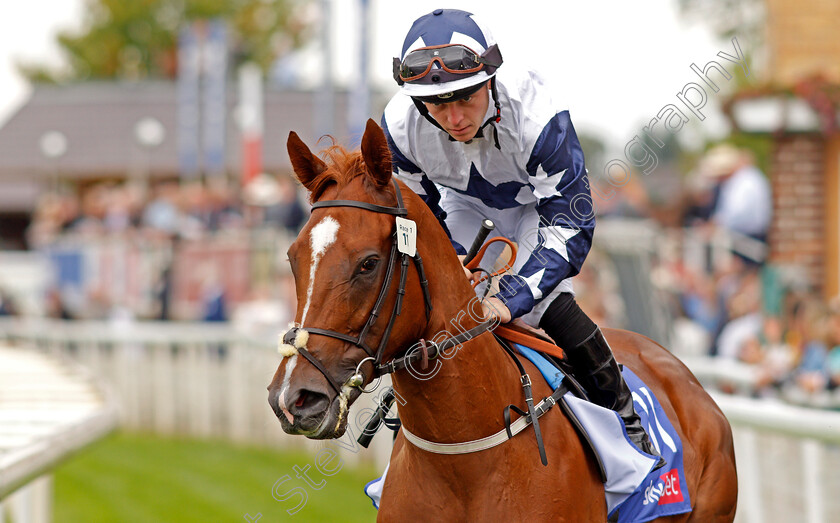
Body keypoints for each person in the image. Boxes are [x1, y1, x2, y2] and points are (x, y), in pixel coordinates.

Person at [381, 8, 662, 463]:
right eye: (437, 105)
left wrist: (508, 299)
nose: (453, 118)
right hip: (463, 207)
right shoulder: (398, 126)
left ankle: (624, 416)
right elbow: (415, 216)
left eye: (465, 98)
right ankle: (410, 438)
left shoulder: (536, 114)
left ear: (489, 80)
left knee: (546, 303)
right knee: (434, 298)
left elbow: (571, 223)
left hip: (540, 211)